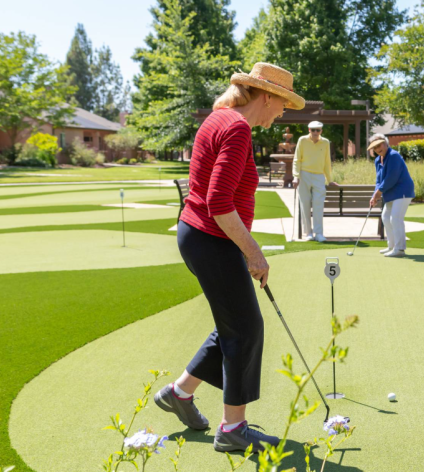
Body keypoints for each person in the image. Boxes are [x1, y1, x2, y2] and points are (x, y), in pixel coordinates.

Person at [153, 63, 305, 454]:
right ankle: (233, 428)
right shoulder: (236, 127)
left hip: (202, 236)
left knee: (233, 324)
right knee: (245, 328)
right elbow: (219, 203)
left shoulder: (221, 119)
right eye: (283, 103)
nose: (283, 112)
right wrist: (254, 252)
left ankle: (180, 394)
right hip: (211, 238)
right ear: (267, 95)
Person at [368, 134, 415, 257]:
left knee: (395, 219)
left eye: (379, 145)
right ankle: (392, 245)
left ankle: (399, 249)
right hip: (391, 193)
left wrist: (379, 193)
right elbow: (379, 180)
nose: (378, 149)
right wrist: (375, 195)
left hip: (402, 191)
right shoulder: (378, 160)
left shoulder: (394, 156)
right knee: (385, 217)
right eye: (375, 147)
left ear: (386, 143)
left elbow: (391, 178)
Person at [292, 121, 338, 242]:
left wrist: (330, 180)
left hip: (319, 176)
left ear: (321, 130)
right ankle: (308, 233)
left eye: (318, 130)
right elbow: (297, 159)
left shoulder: (326, 142)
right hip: (304, 175)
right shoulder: (302, 140)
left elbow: (327, 162)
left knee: (318, 205)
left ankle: (318, 233)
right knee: (305, 204)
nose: (315, 132)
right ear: (309, 130)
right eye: (313, 130)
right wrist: (296, 176)